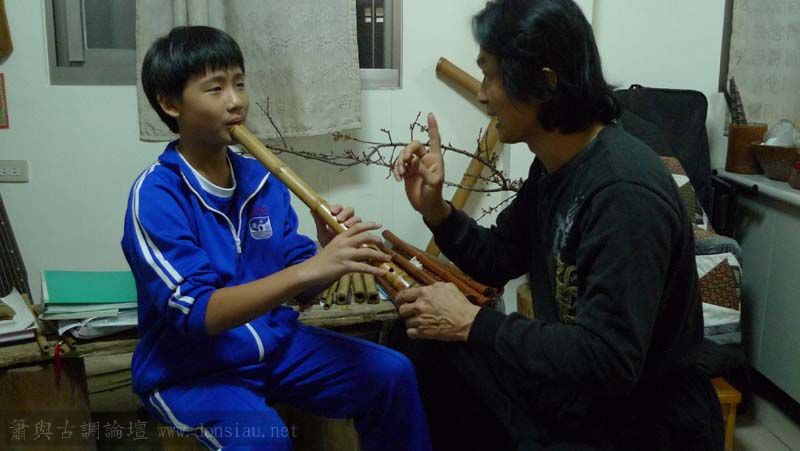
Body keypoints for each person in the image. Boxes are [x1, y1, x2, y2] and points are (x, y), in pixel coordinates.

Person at [390, 1, 724, 450]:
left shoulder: (623, 191)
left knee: (451, 349)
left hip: (645, 423)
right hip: (583, 396)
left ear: (545, 83)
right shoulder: (555, 165)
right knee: (420, 340)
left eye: (490, 76)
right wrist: (436, 211)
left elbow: (609, 361)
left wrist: (473, 322)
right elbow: (498, 258)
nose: (483, 96)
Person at [121, 25, 431, 451]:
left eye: (239, 83)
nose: (236, 101)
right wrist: (309, 270)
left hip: (274, 347)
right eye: (215, 88)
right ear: (170, 103)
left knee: (390, 374)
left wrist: (326, 255)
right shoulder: (157, 195)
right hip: (192, 370)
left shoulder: (261, 178)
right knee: (264, 440)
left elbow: (300, 289)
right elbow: (198, 313)